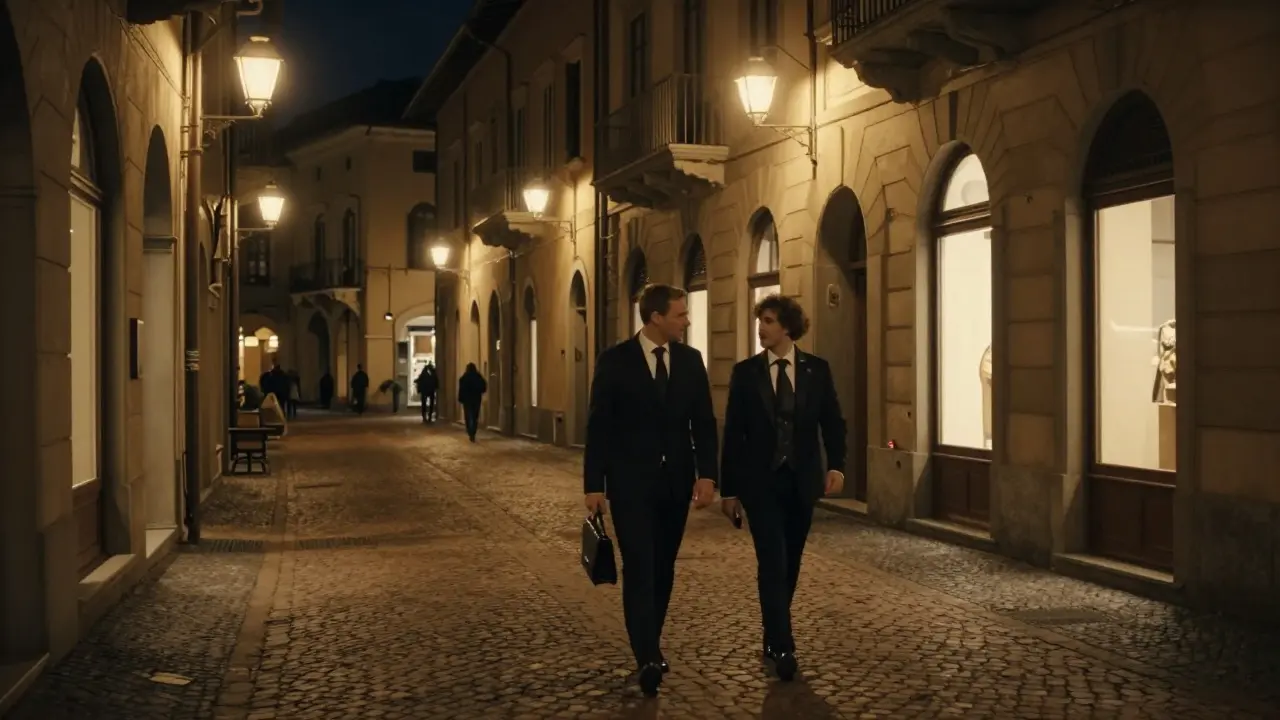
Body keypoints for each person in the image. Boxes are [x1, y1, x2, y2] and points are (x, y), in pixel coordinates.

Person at [583, 283, 719, 697]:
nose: (687, 320)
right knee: (640, 566)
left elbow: (704, 422)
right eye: (681, 314)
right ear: (656, 317)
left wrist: (707, 475)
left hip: (675, 482)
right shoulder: (615, 361)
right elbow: (599, 425)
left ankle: (650, 641)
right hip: (630, 484)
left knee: (663, 568)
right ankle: (646, 655)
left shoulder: (691, 360)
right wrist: (594, 484)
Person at [719, 293, 846, 682]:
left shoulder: (816, 370)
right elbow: (733, 434)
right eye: (760, 320)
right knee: (772, 560)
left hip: (801, 481)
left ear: (788, 327)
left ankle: (773, 631)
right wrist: (729, 490)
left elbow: (833, 421)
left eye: (769, 321)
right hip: (761, 484)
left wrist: (837, 466)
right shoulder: (746, 373)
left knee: (790, 562)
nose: (761, 327)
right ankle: (783, 644)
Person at [457, 363, 487, 441]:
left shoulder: (464, 378)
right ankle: (473, 431)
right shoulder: (478, 377)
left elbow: (461, 389)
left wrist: (460, 398)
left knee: (468, 415)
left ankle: (469, 430)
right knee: (475, 416)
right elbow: (483, 387)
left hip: (467, 400)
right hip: (476, 399)